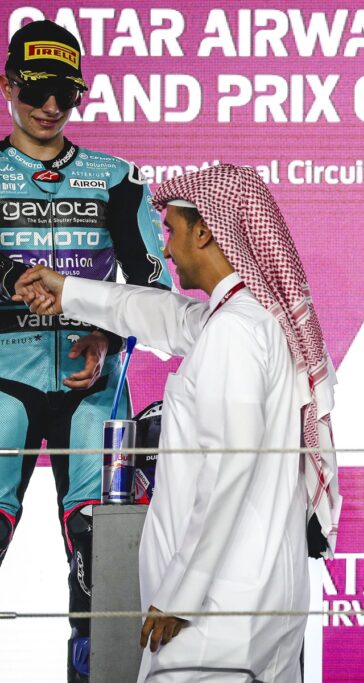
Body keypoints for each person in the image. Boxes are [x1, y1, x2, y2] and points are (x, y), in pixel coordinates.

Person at [14, 164, 341, 682]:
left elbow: (229, 469)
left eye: (170, 230)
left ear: (205, 231)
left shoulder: (233, 332)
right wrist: (68, 292)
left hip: (213, 615)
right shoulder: (246, 320)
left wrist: (181, 596)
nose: (165, 249)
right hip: (252, 604)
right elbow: (160, 313)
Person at [0, 19, 171, 681]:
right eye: (35, 89)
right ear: (8, 85)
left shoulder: (115, 177)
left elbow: (153, 285)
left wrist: (108, 334)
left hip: (94, 388)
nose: (50, 106)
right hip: (4, 383)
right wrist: (11, 278)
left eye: (65, 94)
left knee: (102, 558)